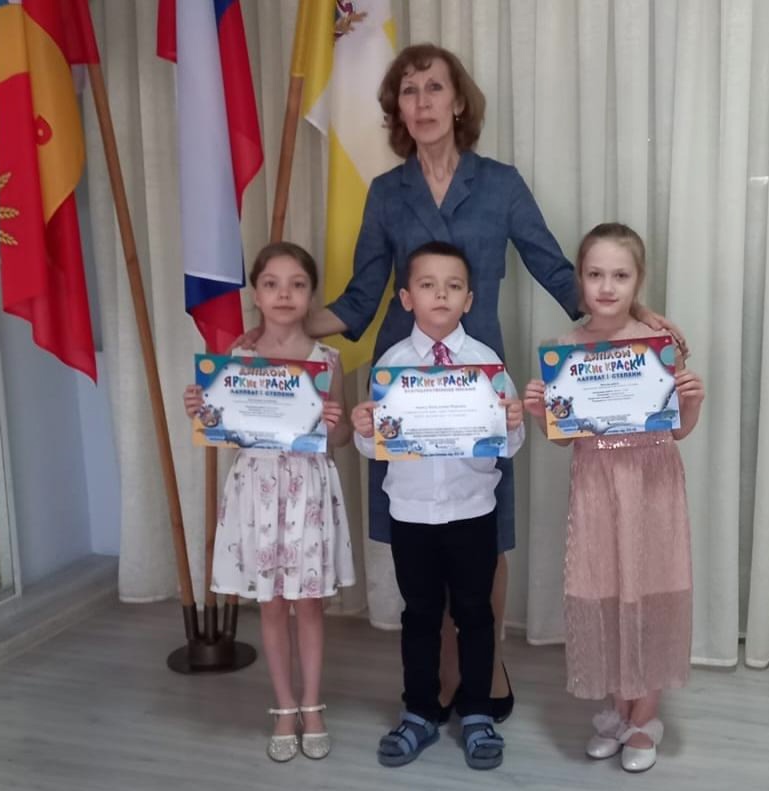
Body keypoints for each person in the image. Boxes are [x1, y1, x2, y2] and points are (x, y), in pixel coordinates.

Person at [238, 42, 684, 721]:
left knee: (483, 527)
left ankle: (480, 663)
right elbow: (359, 300)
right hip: (405, 382)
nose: (421, 102)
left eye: (434, 88)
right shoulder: (386, 193)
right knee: (420, 528)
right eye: (408, 91)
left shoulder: (500, 184)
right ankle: (436, 669)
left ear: (458, 102)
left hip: (481, 379)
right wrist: (280, 323)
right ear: (398, 110)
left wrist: (636, 317)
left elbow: (555, 269)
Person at [523, 223, 705, 774]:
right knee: (604, 590)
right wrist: (541, 414)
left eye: (620, 275)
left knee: (647, 591)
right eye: (595, 274)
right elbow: (565, 438)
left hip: (651, 483)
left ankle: (645, 716)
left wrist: (692, 400)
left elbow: (677, 429)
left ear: (638, 281)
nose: (607, 286)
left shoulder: (659, 345)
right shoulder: (565, 350)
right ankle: (618, 710)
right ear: (580, 280)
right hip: (597, 484)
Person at [351, 241, 524, 770]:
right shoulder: (391, 366)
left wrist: (513, 423)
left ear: (469, 299)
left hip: (472, 510)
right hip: (412, 514)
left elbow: (509, 445)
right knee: (421, 616)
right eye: (427, 285)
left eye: (453, 286)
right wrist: (365, 429)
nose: (441, 295)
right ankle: (420, 712)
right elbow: (376, 449)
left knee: (475, 614)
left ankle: (477, 713)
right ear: (407, 298)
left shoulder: (487, 364)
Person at [183, 242, 355, 763]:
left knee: (309, 604)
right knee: (273, 605)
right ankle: (283, 706)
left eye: (297, 284)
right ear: (256, 294)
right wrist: (203, 409)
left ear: (310, 295)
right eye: (272, 284)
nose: (284, 294)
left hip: (308, 490)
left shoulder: (327, 360)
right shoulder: (236, 360)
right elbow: (226, 432)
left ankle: (312, 706)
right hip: (257, 490)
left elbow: (341, 439)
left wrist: (335, 422)